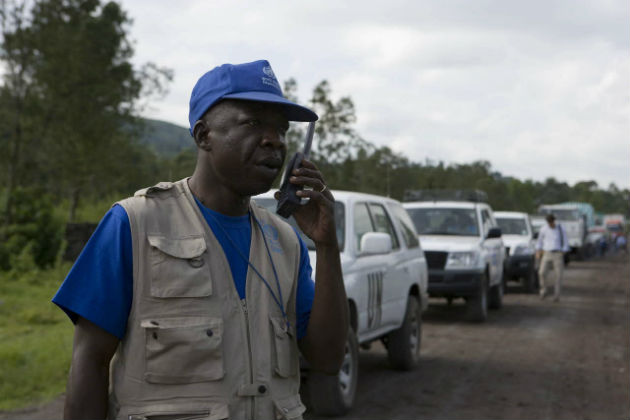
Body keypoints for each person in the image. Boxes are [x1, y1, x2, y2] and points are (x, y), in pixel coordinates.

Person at [52, 60, 348, 420]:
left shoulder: (285, 241)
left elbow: (328, 358)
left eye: (282, 130)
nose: (274, 140)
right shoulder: (134, 223)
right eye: (253, 122)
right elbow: (90, 360)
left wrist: (327, 246)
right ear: (204, 135)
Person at [535, 213, 569, 302]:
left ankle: (556, 295)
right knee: (541, 273)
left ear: (554, 221)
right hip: (547, 253)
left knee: (558, 275)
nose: (550, 223)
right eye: (549, 222)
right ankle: (544, 290)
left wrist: (563, 251)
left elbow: (565, 241)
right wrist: (538, 251)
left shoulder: (561, 229)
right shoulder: (543, 229)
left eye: (552, 222)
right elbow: (539, 241)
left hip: (557, 253)